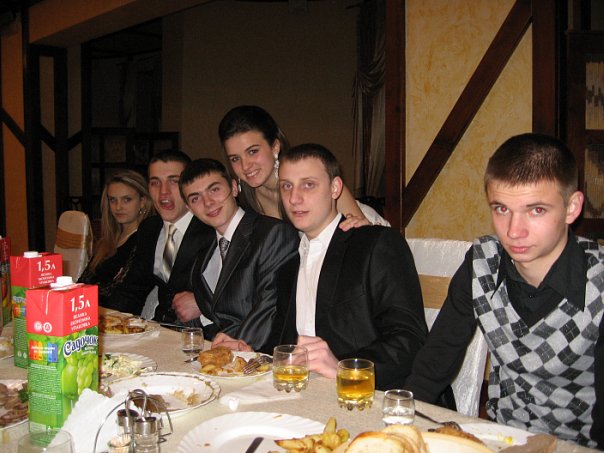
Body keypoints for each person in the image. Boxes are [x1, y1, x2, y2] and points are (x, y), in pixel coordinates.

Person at [405, 133, 603, 449]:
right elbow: (434, 364)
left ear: (572, 207)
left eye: (536, 210)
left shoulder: (599, 284)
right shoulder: (482, 262)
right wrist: (398, 429)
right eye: (501, 208)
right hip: (500, 439)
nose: (514, 231)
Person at [216, 143, 427, 391]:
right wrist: (249, 352)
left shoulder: (376, 243)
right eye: (287, 186)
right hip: (308, 391)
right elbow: (284, 342)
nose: (294, 198)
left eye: (308, 185)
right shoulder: (289, 265)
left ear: (335, 188)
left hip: (375, 394)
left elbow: (409, 339)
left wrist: (345, 369)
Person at [179, 158, 299, 350]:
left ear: (234, 188)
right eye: (195, 198)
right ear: (189, 208)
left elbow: (270, 308)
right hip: (216, 352)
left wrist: (234, 348)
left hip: (258, 354)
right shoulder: (203, 250)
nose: (208, 202)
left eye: (214, 189)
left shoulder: (272, 233)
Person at [218, 105, 389, 227]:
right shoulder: (244, 198)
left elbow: (361, 238)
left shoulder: (315, 178)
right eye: (235, 159)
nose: (245, 166)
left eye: (253, 151)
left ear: (275, 147)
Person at [104, 150, 215, 324]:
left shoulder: (212, 229)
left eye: (173, 181)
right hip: (159, 329)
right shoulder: (150, 228)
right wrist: (106, 322)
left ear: (190, 185)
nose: (163, 192)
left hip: (201, 332)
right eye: (155, 183)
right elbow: (132, 290)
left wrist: (204, 302)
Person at [79, 170, 154, 297]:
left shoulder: (144, 241)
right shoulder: (107, 241)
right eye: (113, 200)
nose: (118, 207)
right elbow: (83, 282)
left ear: (142, 202)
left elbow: (121, 293)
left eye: (127, 200)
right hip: (88, 305)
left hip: (115, 309)